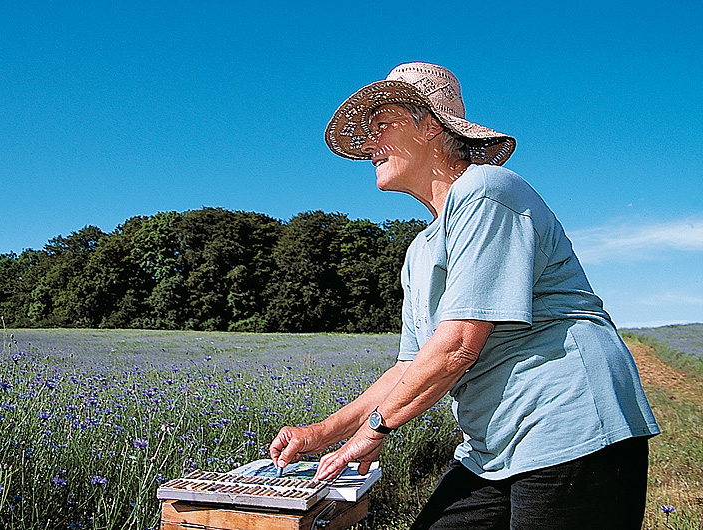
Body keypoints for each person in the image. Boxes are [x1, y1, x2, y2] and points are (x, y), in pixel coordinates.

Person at [269, 62, 660, 529]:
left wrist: (376, 428)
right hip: (492, 445)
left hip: (569, 424)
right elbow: (408, 368)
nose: (370, 144)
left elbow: (458, 345)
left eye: (382, 126)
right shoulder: (419, 250)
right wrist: (324, 432)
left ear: (430, 125)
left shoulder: (487, 190)